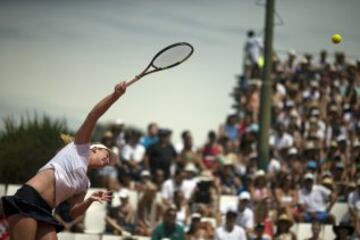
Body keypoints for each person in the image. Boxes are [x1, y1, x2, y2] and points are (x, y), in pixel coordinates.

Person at [1, 81, 127, 240]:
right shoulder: (80, 147)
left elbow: (73, 213)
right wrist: (115, 96)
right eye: (107, 154)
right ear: (94, 149)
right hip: (29, 198)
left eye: (109, 161)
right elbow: (93, 115)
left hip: (46, 210)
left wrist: (90, 200)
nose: (107, 160)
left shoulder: (85, 183)